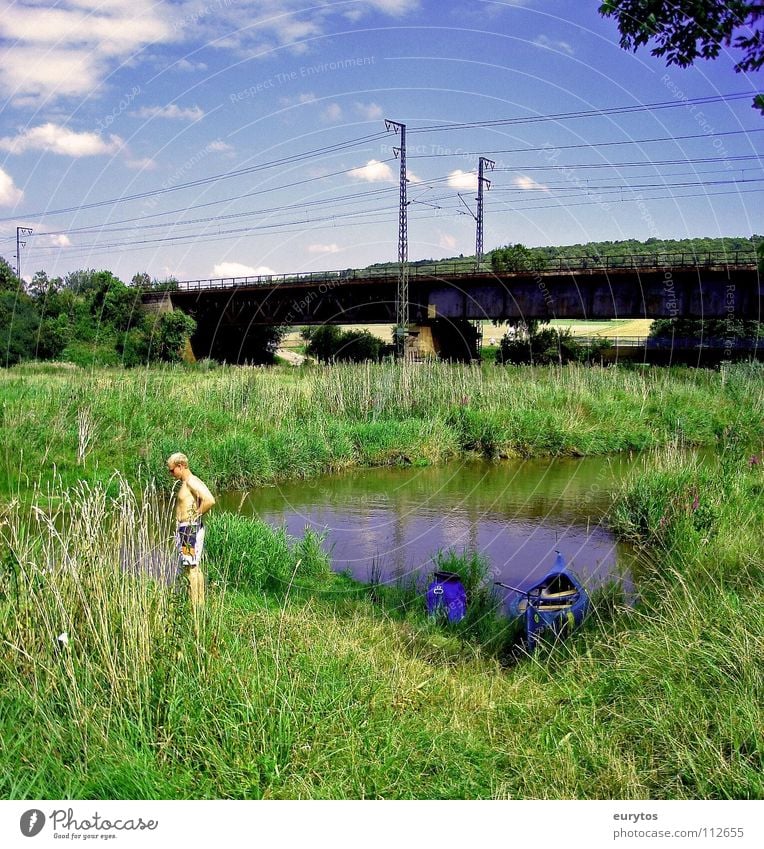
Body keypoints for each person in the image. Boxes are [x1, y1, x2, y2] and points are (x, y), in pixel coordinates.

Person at [166, 452, 215, 608]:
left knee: (191, 569)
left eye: (172, 470)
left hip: (189, 530)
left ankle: (195, 607)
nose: (170, 474)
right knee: (193, 567)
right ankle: (199, 604)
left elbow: (209, 500)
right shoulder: (188, 482)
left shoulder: (191, 481)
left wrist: (195, 515)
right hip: (186, 530)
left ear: (180, 466)